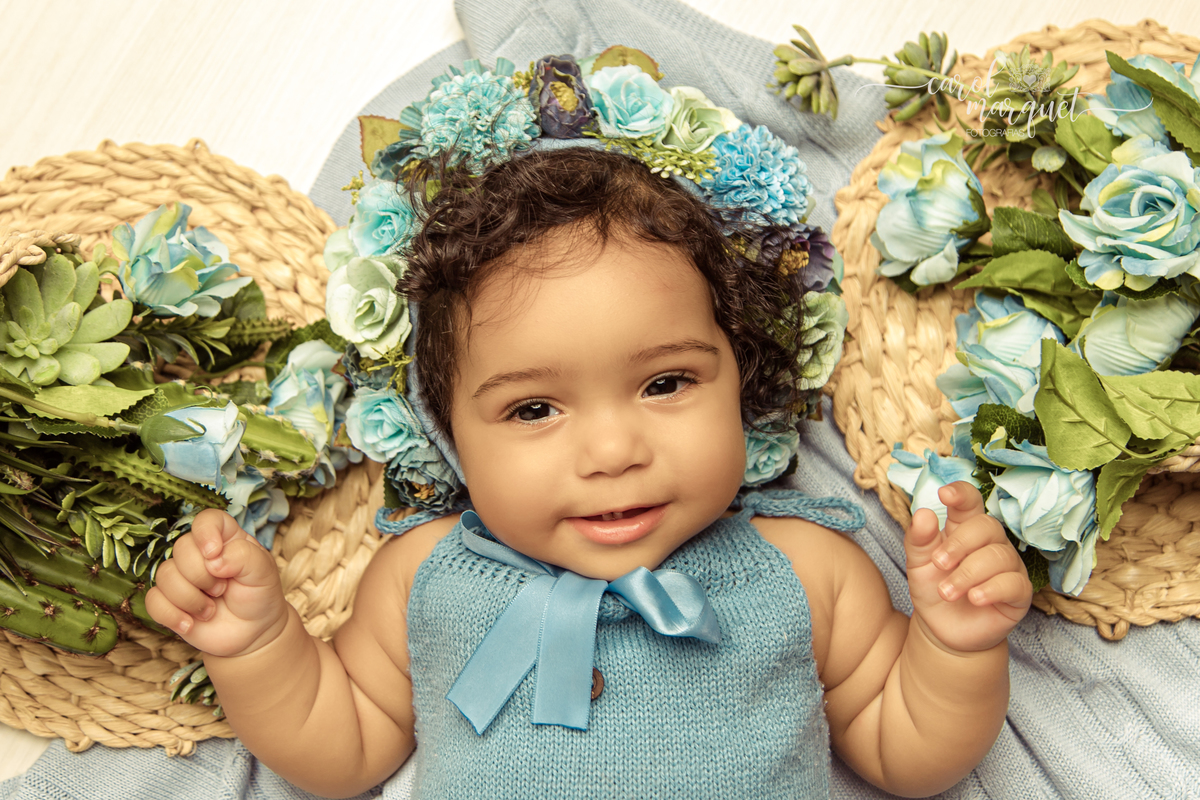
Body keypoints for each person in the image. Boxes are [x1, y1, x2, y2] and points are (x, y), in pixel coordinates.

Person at [146, 146, 1032, 800]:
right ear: (450, 435)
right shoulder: (425, 578)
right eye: (534, 410)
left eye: (666, 383)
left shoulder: (804, 571)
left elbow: (909, 753)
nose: (612, 453)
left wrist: (955, 647)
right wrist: (259, 649)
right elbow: (340, 750)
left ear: (742, 382)